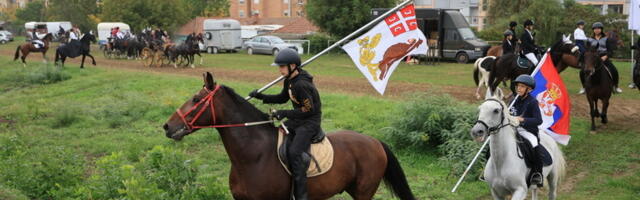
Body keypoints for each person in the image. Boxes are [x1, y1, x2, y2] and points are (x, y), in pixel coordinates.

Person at [248, 48, 322, 200]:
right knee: (277, 134)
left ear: (292, 66)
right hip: (298, 119)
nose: (279, 70)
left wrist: (285, 113)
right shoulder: (290, 80)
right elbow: (282, 98)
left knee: (295, 152)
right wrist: (261, 97)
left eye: (282, 66)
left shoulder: (301, 85)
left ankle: (301, 195)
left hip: (309, 122)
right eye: (279, 67)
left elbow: (309, 110)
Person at [510, 74, 544, 187]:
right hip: (512, 129)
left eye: (522, 86)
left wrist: (523, 119)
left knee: (534, 144)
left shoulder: (533, 102)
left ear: (529, 89)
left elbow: (539, 120)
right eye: (517, 86)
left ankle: (537, 173)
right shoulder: (513, 100)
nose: (518, 88)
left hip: (528, 131)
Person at [579, 22, 622, 94]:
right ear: (593, 30)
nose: (597, 30)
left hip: (603, 57)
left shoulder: (606, 39)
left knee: (614, 70)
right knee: (582, 72)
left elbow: (610, 50)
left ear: (601, 30)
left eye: (598, 28)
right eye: (595, 29)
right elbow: (586, 50)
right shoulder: (589, 39)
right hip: (593, 59)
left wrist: (606, 56)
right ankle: (584, 87)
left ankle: (616, 86)